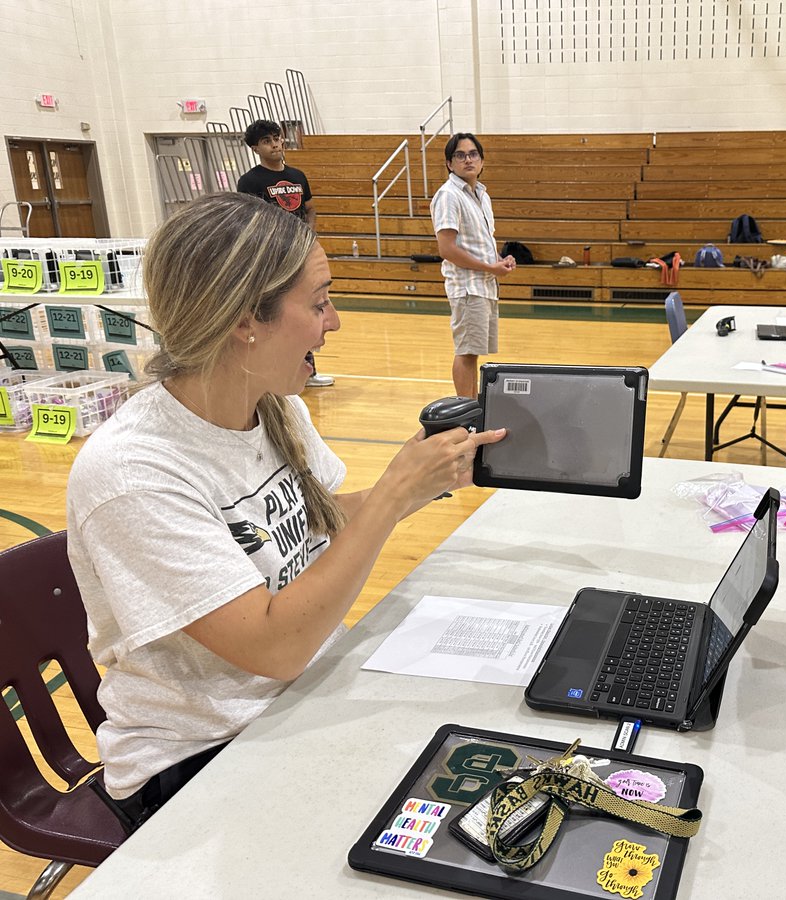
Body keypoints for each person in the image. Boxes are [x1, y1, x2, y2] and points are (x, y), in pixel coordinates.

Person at [65, 193, 504, 829]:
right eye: (319, 301)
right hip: (200, 756)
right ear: (247, 320)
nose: (336, 322)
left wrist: (424, 482)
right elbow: (275, 647)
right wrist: (391, 498)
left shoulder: (275, 406)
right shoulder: (133, 472)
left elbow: (315, 522)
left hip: (304, 697)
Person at [237, 118, 333, 388]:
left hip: (299, 256)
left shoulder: (297, 176)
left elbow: (310, 208)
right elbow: (247, 220)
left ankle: (308, 371)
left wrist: (308, 235)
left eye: (277, 138)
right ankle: (275, 372)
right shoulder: (249, 181)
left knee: (308, 311)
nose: (276, 144)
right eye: (267, 141)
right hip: (271, 261)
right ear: (256, 148)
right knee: (278, 315)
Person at [430, 132, 516, 398]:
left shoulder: (481, 195)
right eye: (460, 155)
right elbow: (447, 249)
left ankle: (473, 404)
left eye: (473, 154)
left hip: (484, 286)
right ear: (449, 163)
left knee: (473, 352)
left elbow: (478, 241)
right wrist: (490, 268)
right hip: (468, 288)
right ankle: (466, 410)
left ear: (481, 160)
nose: (468, 160)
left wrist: (499, 261)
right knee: (466, 352)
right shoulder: (448, 196)